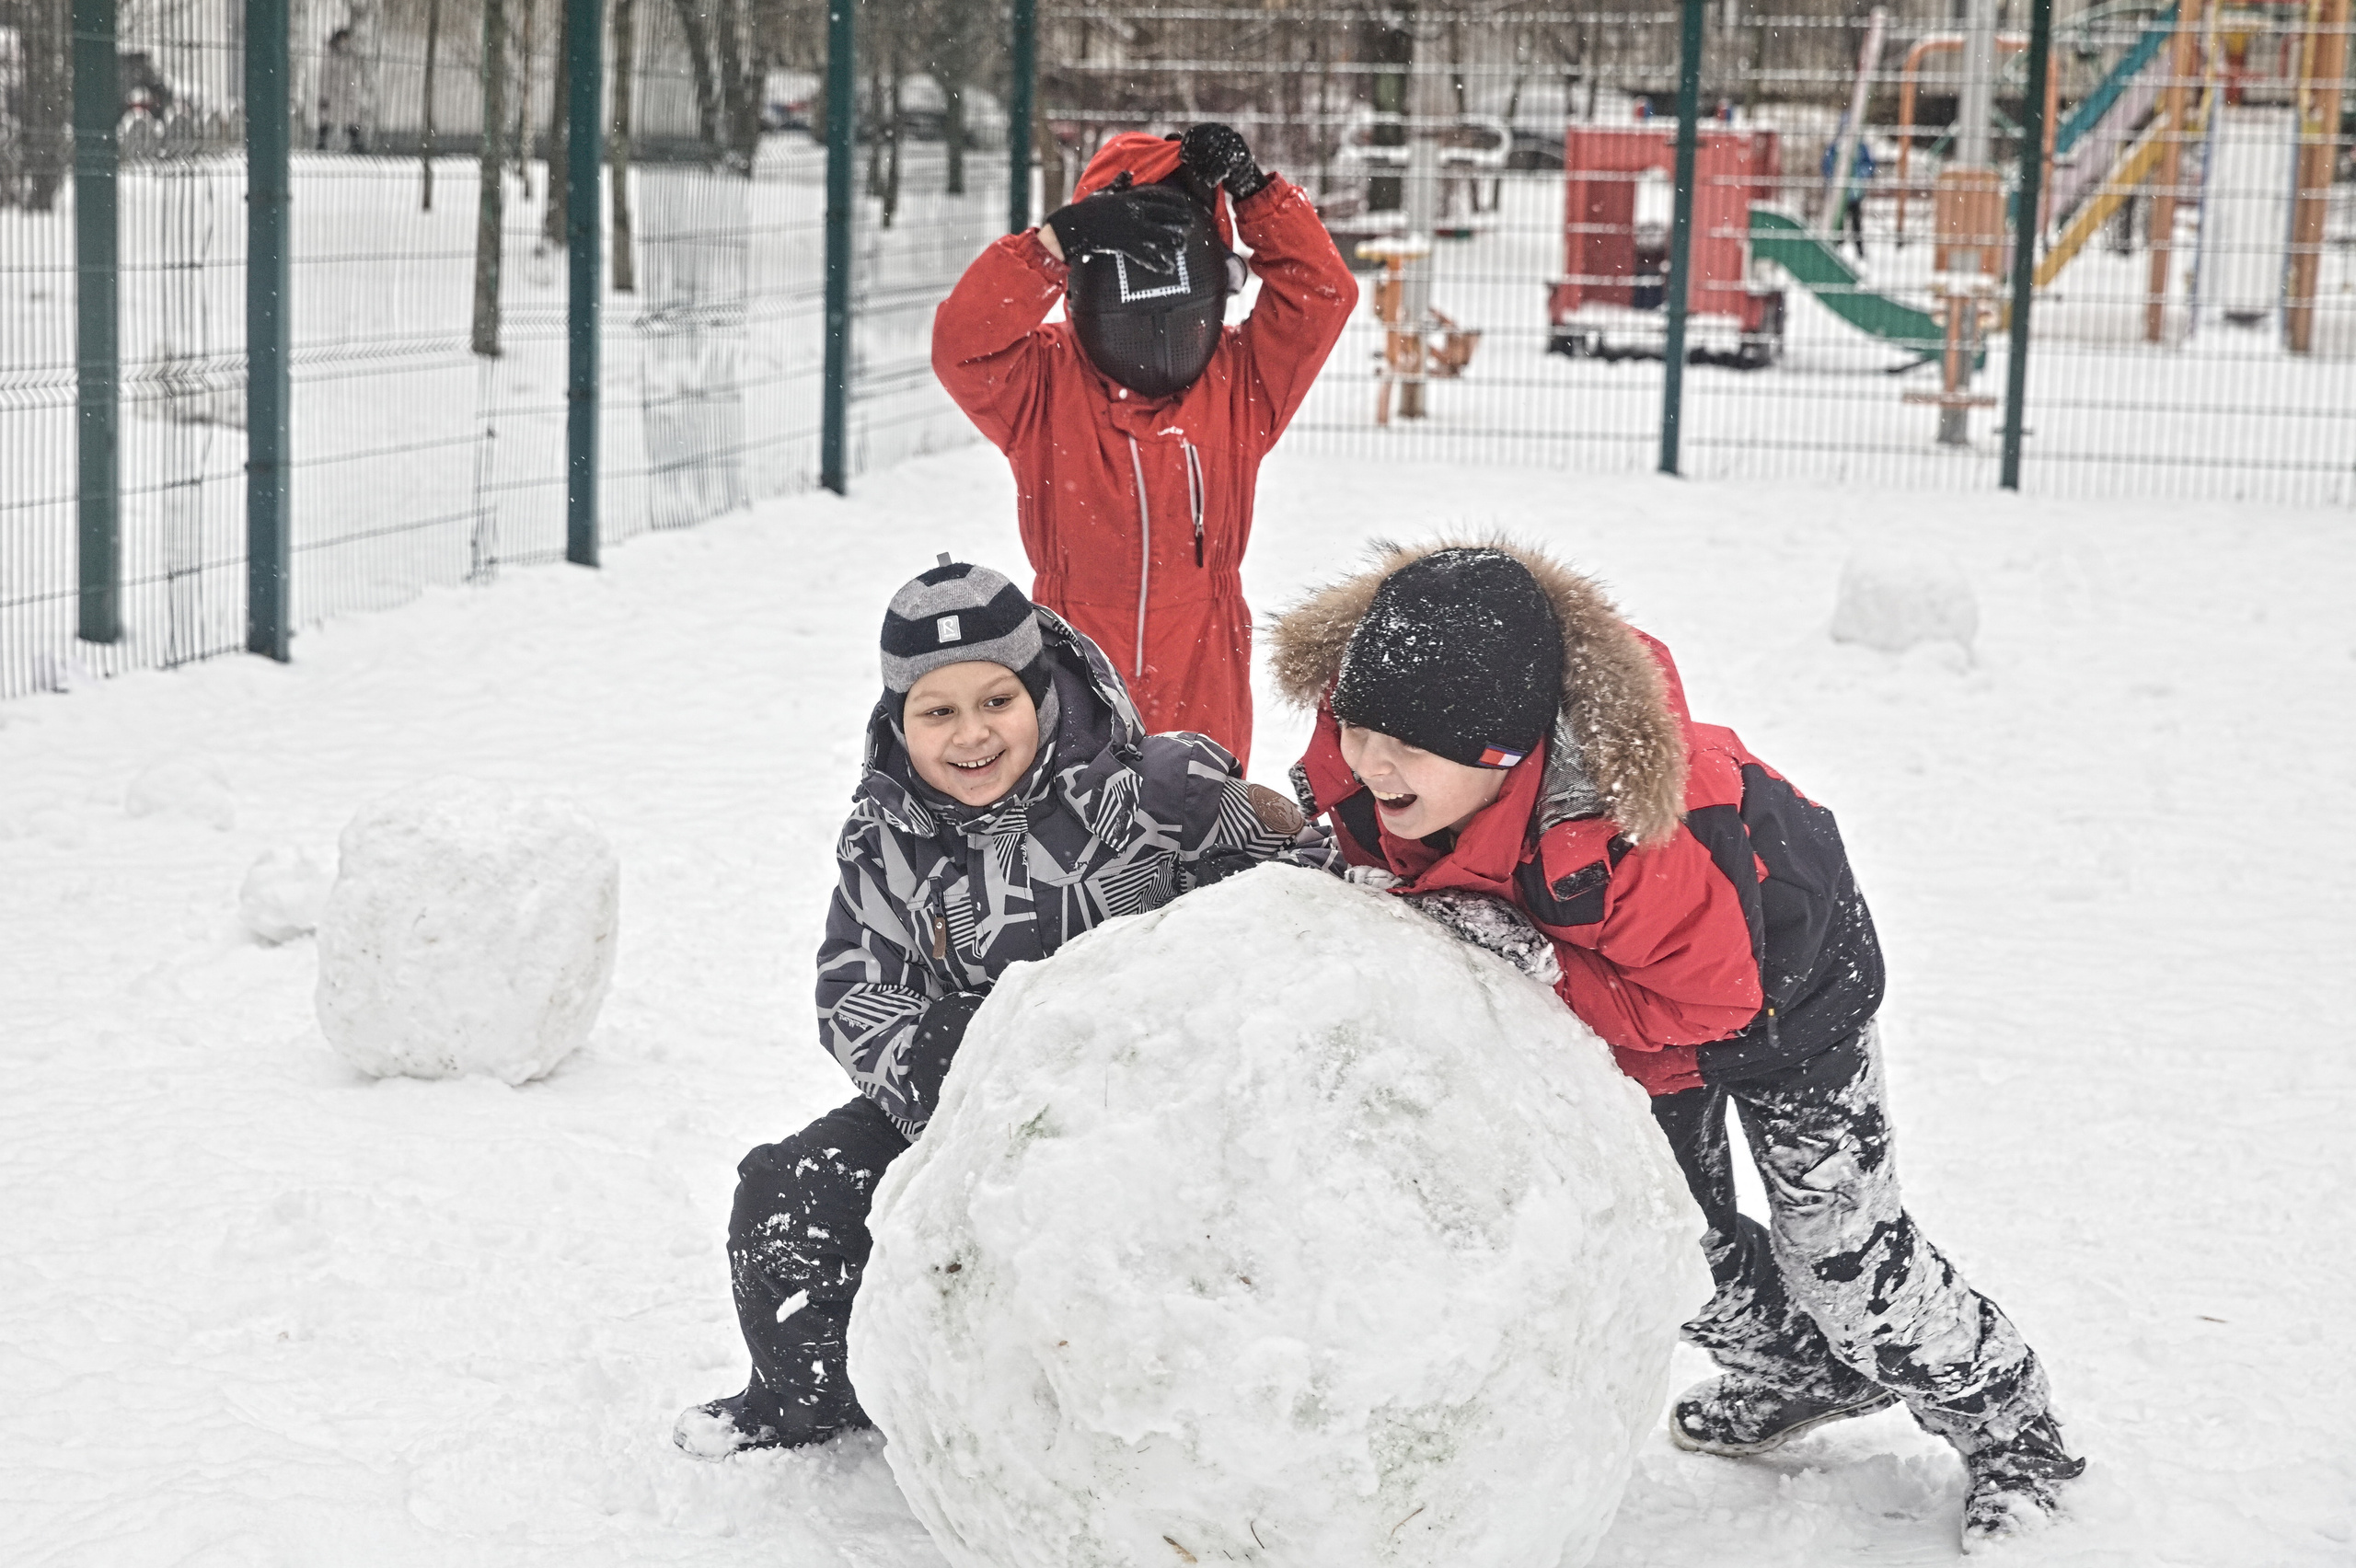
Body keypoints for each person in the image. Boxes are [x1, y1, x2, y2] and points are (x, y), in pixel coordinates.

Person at [1266, 542, 2085, 1551]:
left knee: (1842, 1265)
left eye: (1409, 745)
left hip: (1779, 999)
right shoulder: (1369, 784)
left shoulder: (1625, 835)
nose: (1370, 762)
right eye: (1358, 726)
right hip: (1623, 1003)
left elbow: (1711, 1004)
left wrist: (1543, 971)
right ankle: (1794, 1370)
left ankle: (2012, 1431)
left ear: (1504, 753)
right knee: (1660, 1239)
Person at [674, 557, 1338, 1458]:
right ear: (898, 721)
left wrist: (1227, 921)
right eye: (936, 711)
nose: (970, 734)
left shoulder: (1154, 798)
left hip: (1158, 1121)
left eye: (996, 701)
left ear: (1042, 693)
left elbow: (1313, 882)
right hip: (966, 1110)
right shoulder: (888, 838)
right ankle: (815, 1399)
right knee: (789, 1192)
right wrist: (940, 1063)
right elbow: (852, 987)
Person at [931, 124, 1357, 769]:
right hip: (1072, 661)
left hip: (1203, 659)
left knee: (1205, 834)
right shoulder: (1044, 386)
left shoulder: (1240, 384)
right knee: (1074, 837)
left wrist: (1254, 193)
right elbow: (962, 345)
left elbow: (1322, 293)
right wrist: (1057, 241)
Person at [1821, 126, 1876, 258]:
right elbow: (1826, 165)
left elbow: (1870, 165)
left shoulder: (1860, 147)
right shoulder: (1836, 146)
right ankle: (1835, 251)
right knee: (1838, 223)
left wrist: (1861, 174)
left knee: (1855, 223)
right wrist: (1833, 178)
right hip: (1839, 192)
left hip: (1854, 193)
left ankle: (1859, 252)